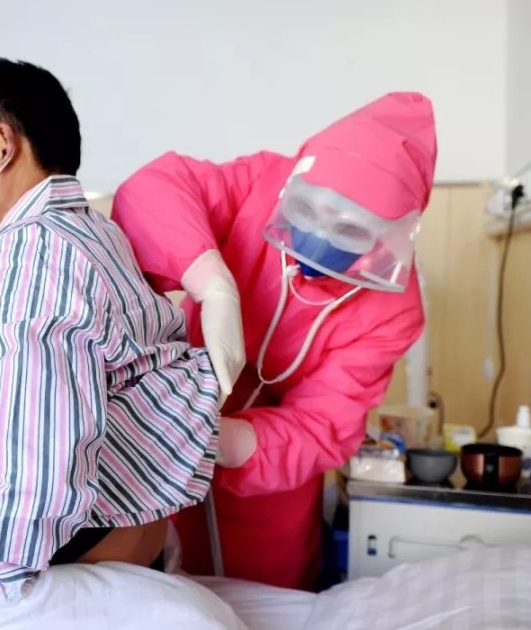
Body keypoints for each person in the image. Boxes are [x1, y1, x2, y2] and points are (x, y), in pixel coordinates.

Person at [110, 92, 437, 590]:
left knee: (263, 602)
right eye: (307, 210)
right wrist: (211, 282)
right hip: (166, 452)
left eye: (349, 230)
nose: (318, 236)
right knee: (165, 591)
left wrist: (218, 439)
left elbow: (323, 423)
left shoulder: (392, 311)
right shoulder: (262, 184)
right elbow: (151, 189)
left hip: (270, 488)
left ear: (387, 236)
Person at [0, 58, 223, 600]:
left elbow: (34, 453)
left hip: (69, 556)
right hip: (137, 531)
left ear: (2, 145)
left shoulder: (26, 258)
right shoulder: (94, 232)